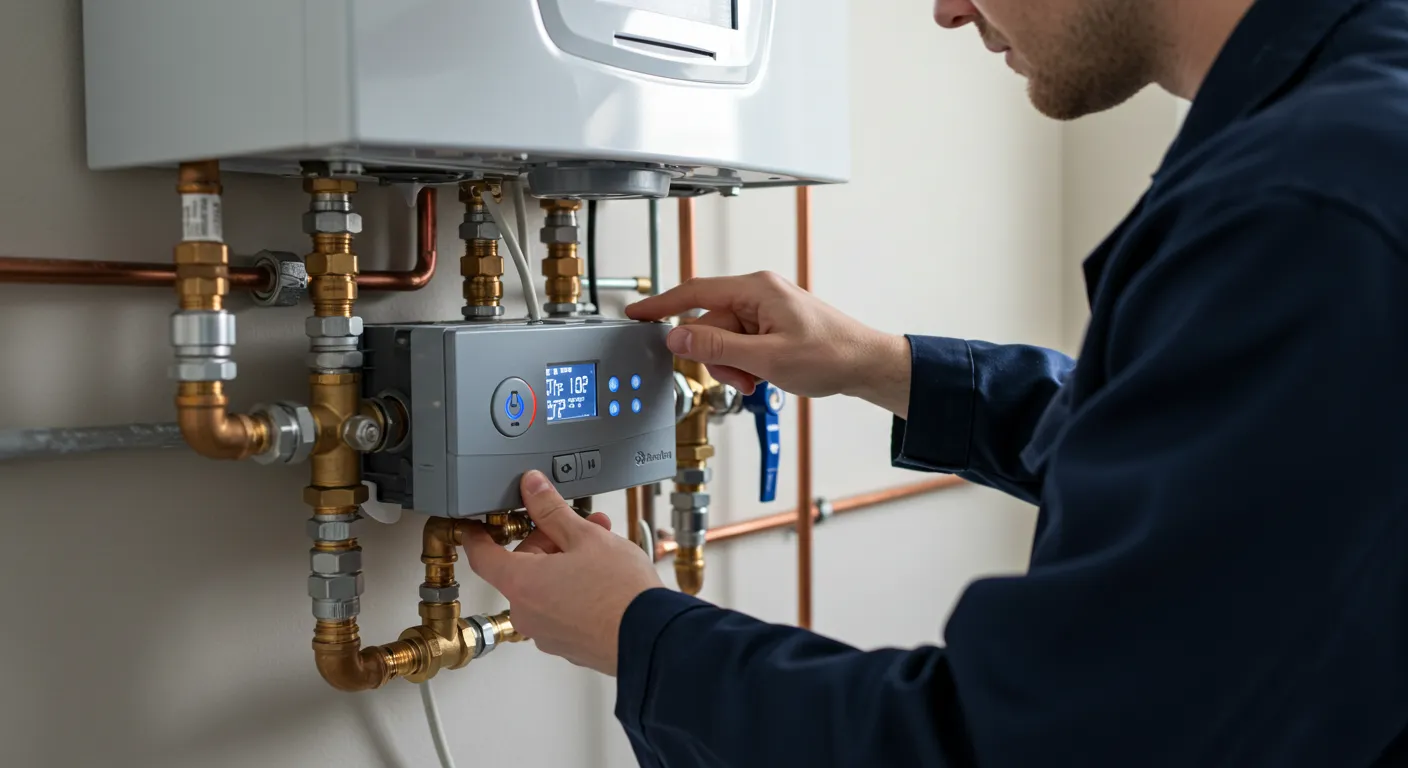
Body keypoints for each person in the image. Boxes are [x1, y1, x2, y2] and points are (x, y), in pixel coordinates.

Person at [463, 0, 1408, 764]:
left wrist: (639, 635)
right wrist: (882, 364)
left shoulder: (1304, 203)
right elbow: (1218, 469)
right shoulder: (1357, 119)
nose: (947, 11)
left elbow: (1024, 744)